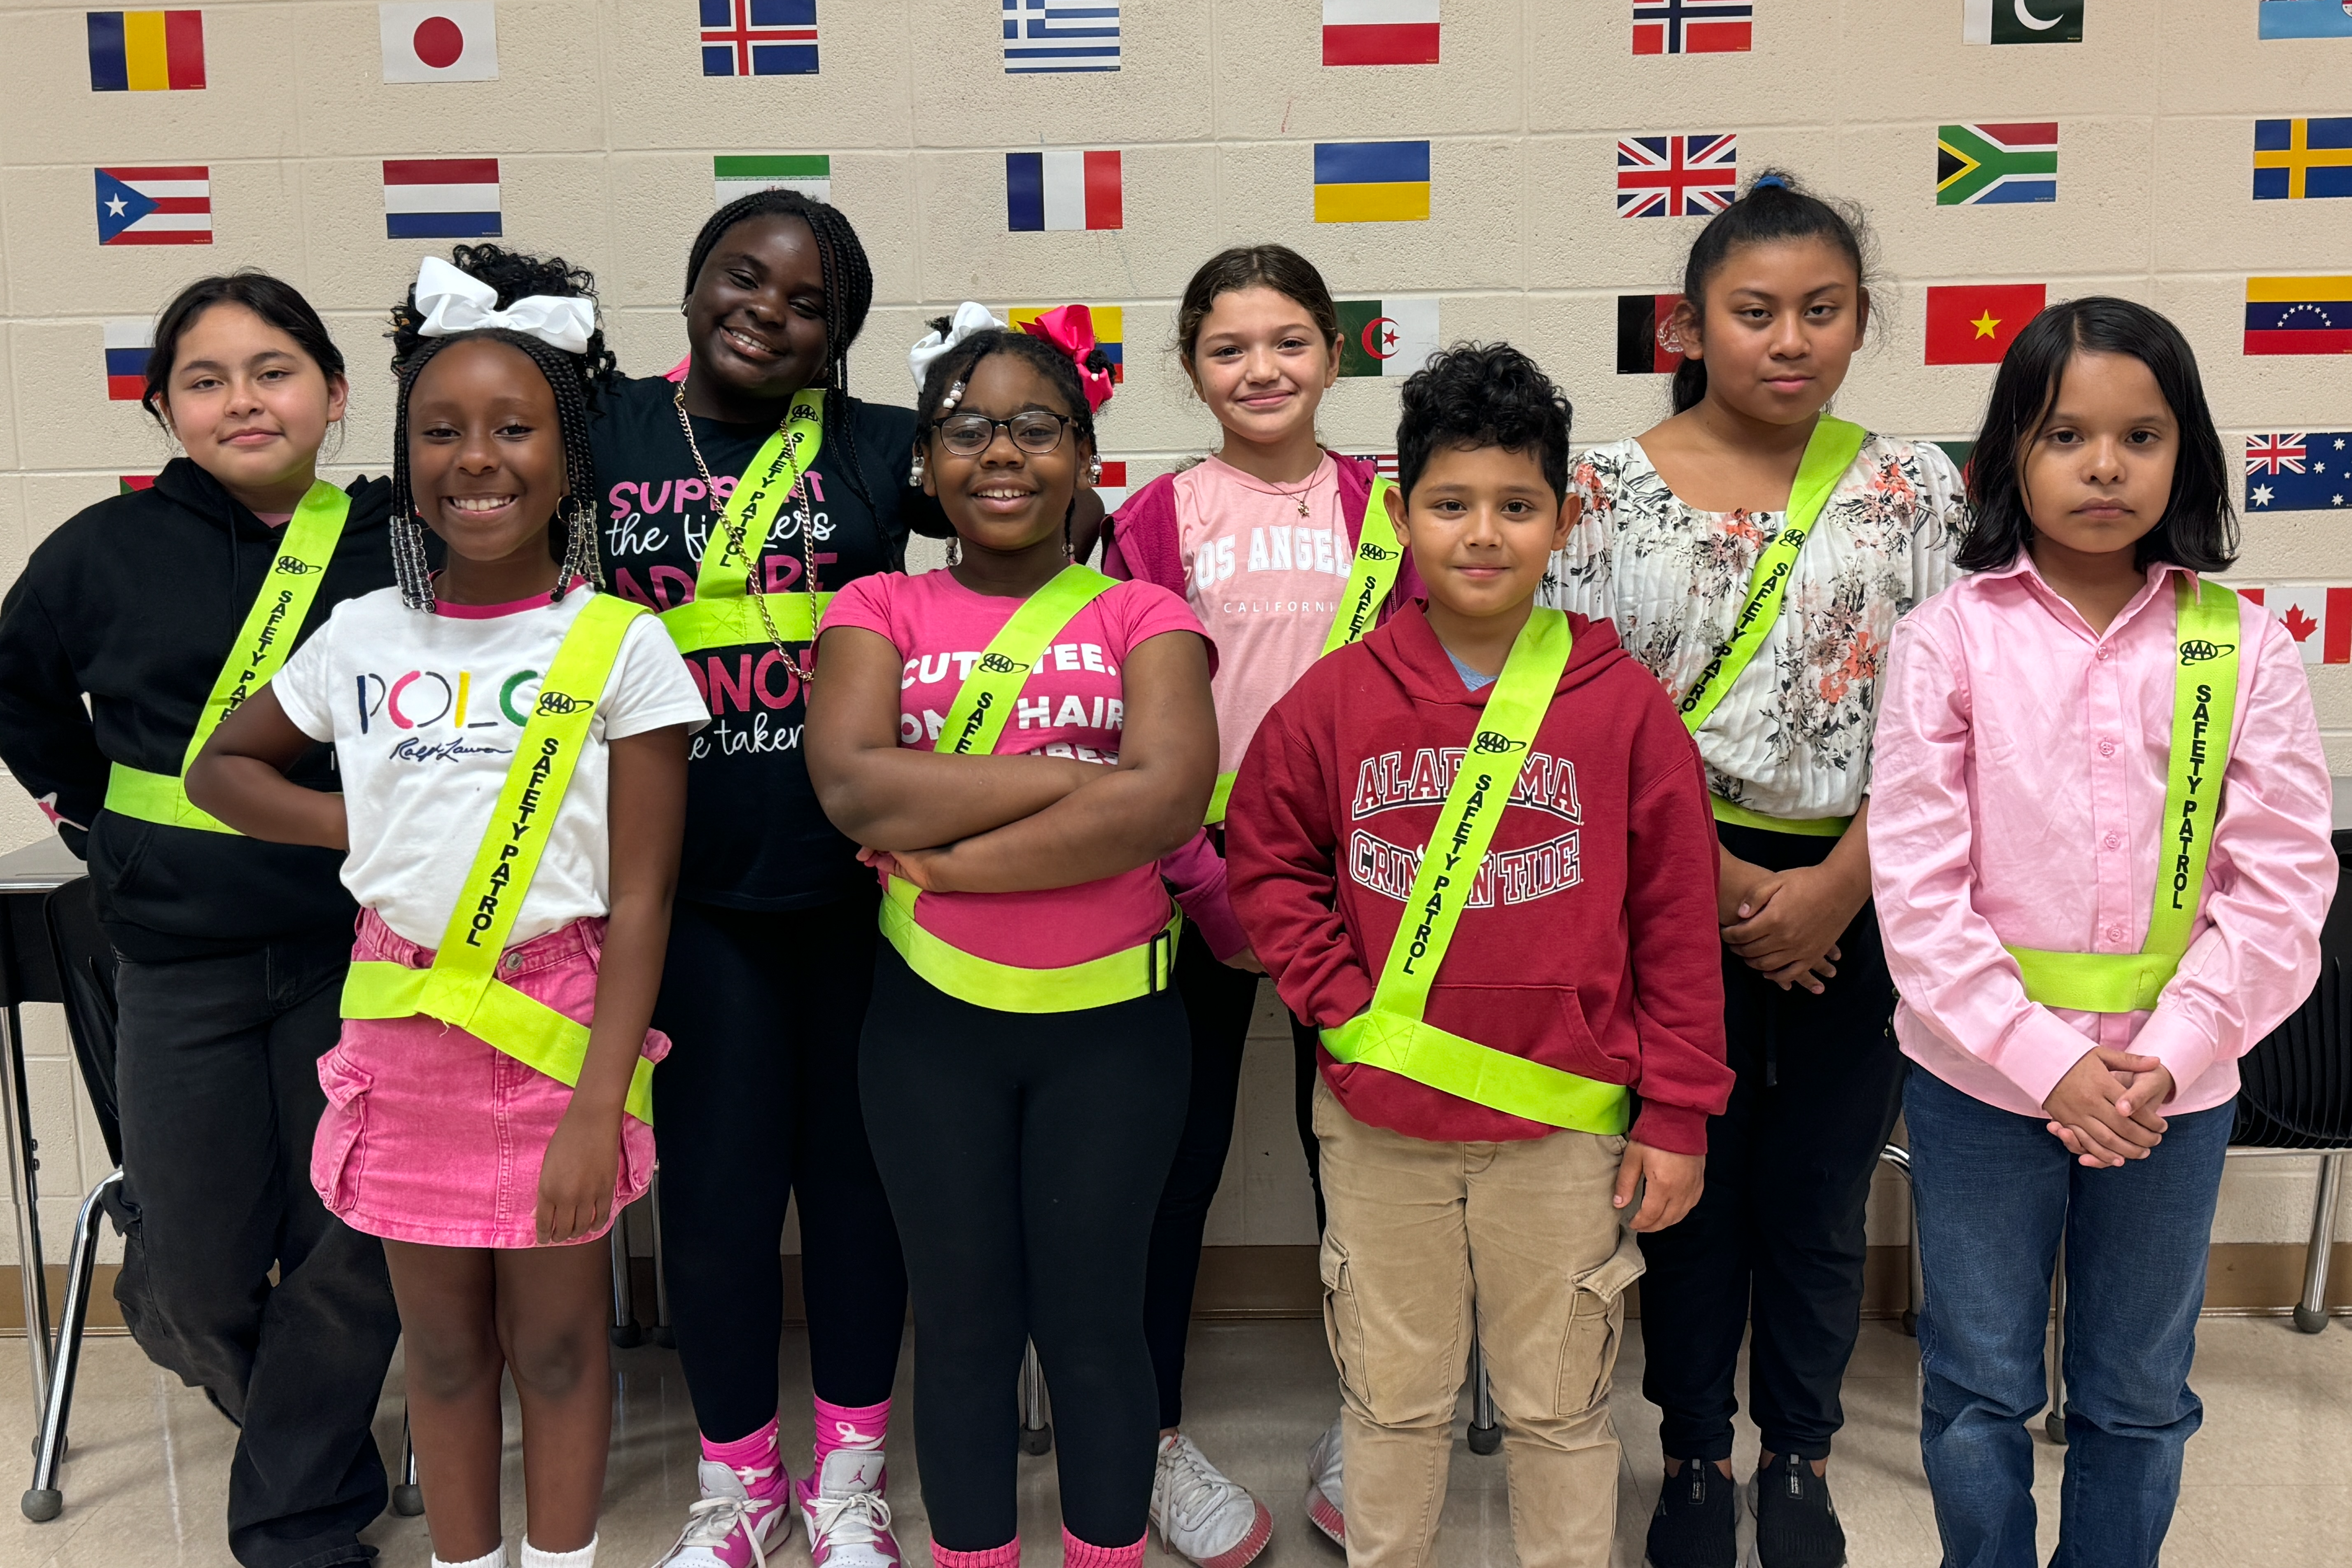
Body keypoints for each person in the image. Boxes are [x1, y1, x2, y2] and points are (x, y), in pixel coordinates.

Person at [187, 246, 706, 1568]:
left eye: (515, 428)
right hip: (404, 1020)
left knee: (558, 1340)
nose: (479, 459)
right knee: (448, 1349)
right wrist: (358, 822)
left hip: (561, 1024)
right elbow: (222, 770)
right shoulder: (366, 634)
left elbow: (644, 898)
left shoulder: (622, 643)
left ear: (565, 455)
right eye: (442, 430)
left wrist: (601, 1103)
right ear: (407, 455)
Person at [1226, 340, 1730, 1568]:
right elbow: (1266, 858)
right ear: (1401, 518)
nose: (1484, 533)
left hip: (1563, 1137)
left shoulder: (1621, 708)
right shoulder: (1337, 699)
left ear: (1564, 519)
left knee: (1563, 1413)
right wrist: (1340, 1003)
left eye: (1517, 506)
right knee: (1390, 1409)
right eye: (1451, 505)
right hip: (1381, 1122)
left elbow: (1674, 919)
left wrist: (1677, 1112)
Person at [1869, 297, 2337, 1568]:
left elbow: (2283, 883)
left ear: (2187, 454)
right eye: (2066, 434)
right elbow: (1917, 891)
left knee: (2138, 1391)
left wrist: (2165, 1057)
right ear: (2010, 455)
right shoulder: (1946, 640)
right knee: (1977, 1383)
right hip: (1980, 1086)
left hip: (2169, 1097)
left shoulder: (2240, 645)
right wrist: (2048, 1065)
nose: (2105, 465)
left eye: (2142, 435)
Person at [1538, 172, 1964, 1568]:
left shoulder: (1914, 490)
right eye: (1755, 312)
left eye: (1822, 312)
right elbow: (1567, 710)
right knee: (1684, 1191)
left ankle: (1799, 1451)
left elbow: (1955, 715)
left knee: (1820, 1198)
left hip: (1863, 884)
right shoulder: (1598, 494)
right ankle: (1694, 1457)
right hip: (1661, 887)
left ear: (1858, 325)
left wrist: (1844, 882)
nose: (1790, 341)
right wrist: (1712, 884)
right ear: (1690, 323)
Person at [0, 273, 404, 1568]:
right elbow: (18, 695)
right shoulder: (101, 551)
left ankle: (298, 1518)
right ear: (164, 406)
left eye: (275, 369)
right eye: (207, 378)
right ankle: (318, 1437)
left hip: (367, 950)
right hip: (178, 961)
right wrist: (93, 827)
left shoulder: (397, 544)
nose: (245, 399)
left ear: (336, 396)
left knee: (354, 1252)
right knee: (183, 1280)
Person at [804, 310, 1217, 1568]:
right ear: (925, 465)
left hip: (1119, 1035)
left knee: (1098, 1325)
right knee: (969, 1325)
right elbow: (857, 790)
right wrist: (1068, 780)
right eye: (967, 428)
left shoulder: (1147, 617)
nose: (1002, 452)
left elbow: (1167, 800)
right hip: (932, 1033)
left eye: (1038, 427)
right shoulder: (877, 604)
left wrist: (952, 848)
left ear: (1087, 458)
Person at [586, 188, 926, 1568]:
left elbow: (1036, 531)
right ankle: (737, 1485)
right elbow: (450, 492)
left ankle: (848, 1474)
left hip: (859, 886)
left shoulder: (883, 447)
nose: (768, 313)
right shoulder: (603, 423)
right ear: (691, 277)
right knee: (717, 1202)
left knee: (856, 1191)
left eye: (809, 306)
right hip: (683, 893)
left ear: (839, 340)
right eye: (744, 277)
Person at [1097, 243, 1422, 1563]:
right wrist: (1206, 880)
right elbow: (1125, 723)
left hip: (1367, 891)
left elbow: (1434, 706)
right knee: (1172, 1166)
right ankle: (1156, 1431)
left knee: (1369, 1168)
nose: (1262, 369)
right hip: (1195, 881)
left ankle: (1374, 1417)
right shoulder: (1157, 521)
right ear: (1189, 368)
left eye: (1290, 341)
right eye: (1229, 349)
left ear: (1335, 353)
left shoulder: (1392, 511)